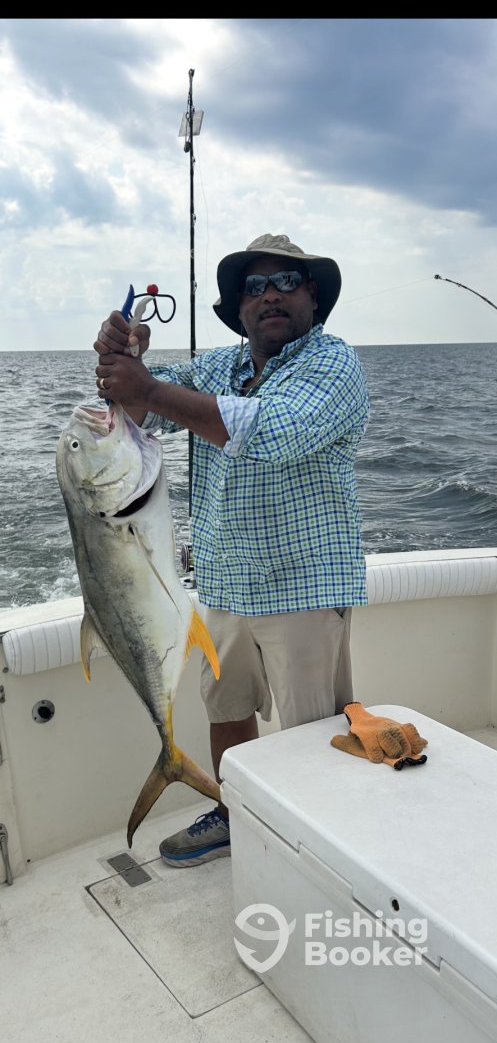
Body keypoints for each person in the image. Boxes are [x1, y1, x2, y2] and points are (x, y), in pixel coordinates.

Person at [94, 232, 370, 867]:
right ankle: (234, 813)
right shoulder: (216, 367)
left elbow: (270, 431)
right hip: (222, 582)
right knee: (227, 711)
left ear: (313, 296)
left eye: (285, 282)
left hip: (304, 587)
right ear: (238, 307)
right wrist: (120, 362)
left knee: (312, 733)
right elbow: (136, 406)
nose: (270, 295)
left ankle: (318, 847)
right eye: (254, 287)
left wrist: (147, 389)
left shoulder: (334, 365)